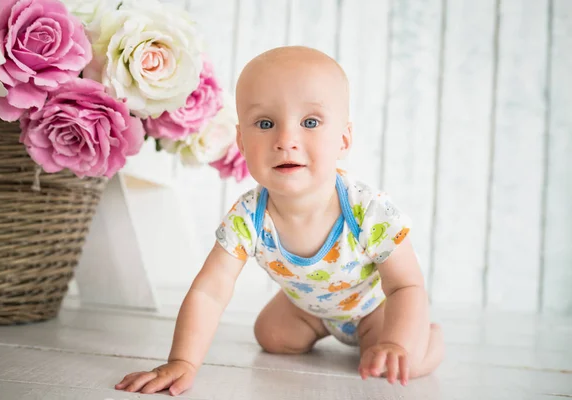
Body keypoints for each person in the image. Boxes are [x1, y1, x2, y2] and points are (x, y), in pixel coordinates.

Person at [115, 45, 444, 396]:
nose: (286, 140)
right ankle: (318, 323)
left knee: (397, 359)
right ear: (241, 140)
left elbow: (405, 286)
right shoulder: (249, 217)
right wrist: (183, 361)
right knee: (271, 336)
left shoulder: (367, 211)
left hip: (374, 309)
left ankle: (428, 337)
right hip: (310, 308)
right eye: (266, 123)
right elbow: (210, 291)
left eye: (311, 122)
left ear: (344, 140)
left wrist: (398, 342)